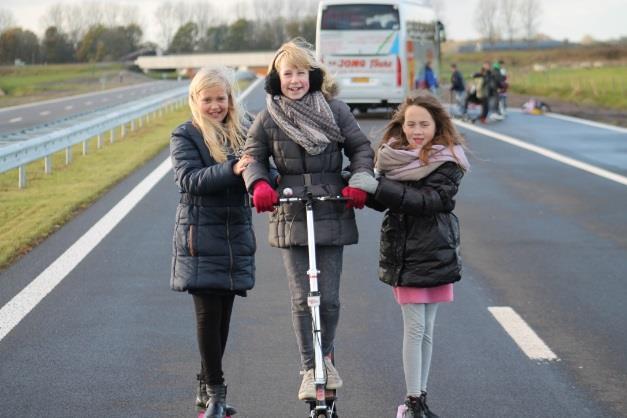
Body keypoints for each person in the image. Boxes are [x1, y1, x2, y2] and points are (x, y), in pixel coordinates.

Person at [241, 39, 375, 401]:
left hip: (332, 206)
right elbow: (252, 156)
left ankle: (325, 356)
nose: (295, 80)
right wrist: (260, 184)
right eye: (288, 74)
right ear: (277, 78)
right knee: (303, 298)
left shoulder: (335, 109)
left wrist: (360, 180)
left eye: (301, 73)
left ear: (313, 75)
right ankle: (308, 368)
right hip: (290, 212)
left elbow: (361, 148)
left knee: (327, 297)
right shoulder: (268, 116)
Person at [349, 92, 469, 418]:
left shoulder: (449, 161)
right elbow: (388, 200)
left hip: (435, 251)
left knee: (426, 330)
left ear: (437, 125)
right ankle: (413, 402)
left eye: (424, 124)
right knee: (415, 329)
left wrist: (377, 188)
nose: (417, 130)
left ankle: (419, 400)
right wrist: (361, 186)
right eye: (411, 123)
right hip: (405, 253)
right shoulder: (394, 158)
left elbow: (428, 201)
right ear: (402, 125)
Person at [169, 67, 256, 418]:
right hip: (199, 234)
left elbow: (260, 164)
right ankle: (217, 392)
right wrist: (234, 169)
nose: (215, 105)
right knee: (207, 315)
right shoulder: (185, 134)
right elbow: (189, 179)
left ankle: (204, 391)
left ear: (230, 98)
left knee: (223, 318)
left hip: (234, 232)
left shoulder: (244, 130)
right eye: (207, 99)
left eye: (221, 98)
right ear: (195, 100)